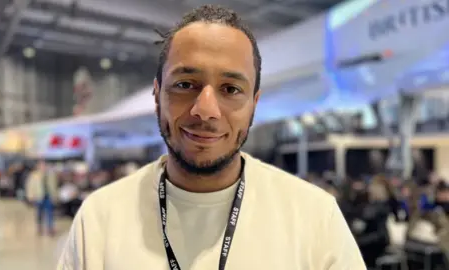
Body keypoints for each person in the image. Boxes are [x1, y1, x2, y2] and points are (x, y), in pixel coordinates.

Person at [58, 5, 365, 270]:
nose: (205, 110)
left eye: (231, 89)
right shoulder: (100, 219)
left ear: (253, 105)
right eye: (185, 84)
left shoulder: (315, 218)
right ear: (157, 94)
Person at [26, 160, 59, 236]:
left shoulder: (51, 175)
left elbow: (55, 186)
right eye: (41, 165)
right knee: (39, 214)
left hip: (49, 197)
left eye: (44, 165)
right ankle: (39, 227)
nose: (43, 167)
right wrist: (30, 196)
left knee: (50, 213)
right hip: (39, 197)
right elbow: (30, 186)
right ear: (38, 166)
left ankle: (50, 228)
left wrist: (55, 196)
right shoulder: (34, 175)